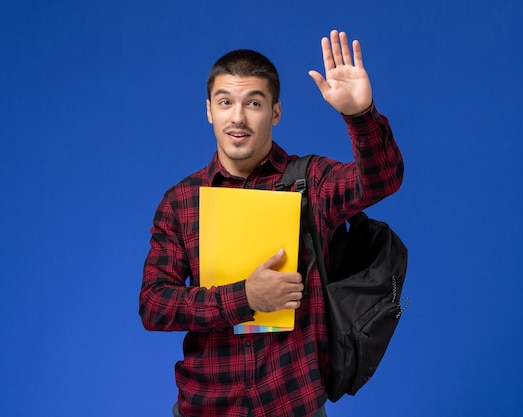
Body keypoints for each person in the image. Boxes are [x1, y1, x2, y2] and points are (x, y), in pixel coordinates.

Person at [140, 30, 404, 417]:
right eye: (225, 101)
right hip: (206, 407)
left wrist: (359, 115)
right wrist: (245, 298)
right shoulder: (181, 201)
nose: (238, 116)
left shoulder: (311, 183)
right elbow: (154, 305)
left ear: (275, 112)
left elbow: (382, 179)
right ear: (209, 110)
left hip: (293, 404)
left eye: (254, 103)